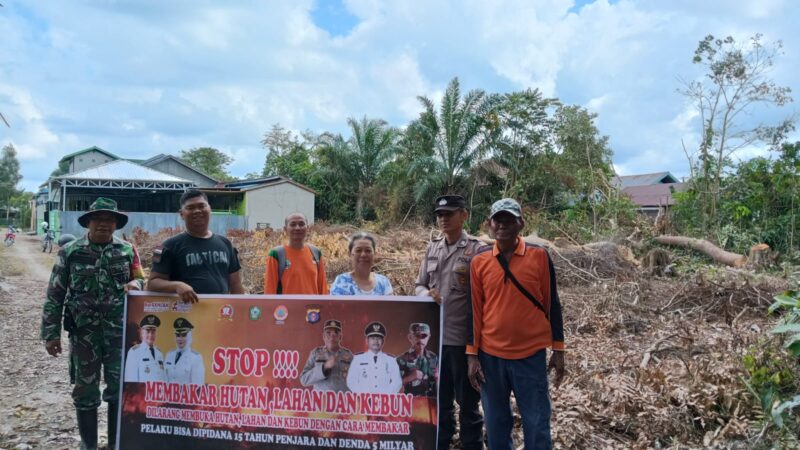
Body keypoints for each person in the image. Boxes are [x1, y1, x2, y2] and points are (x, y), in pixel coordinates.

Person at [41, 197, 144, 450]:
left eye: (110, 220)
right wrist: (51, 333)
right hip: (83, 334)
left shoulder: (127, 250)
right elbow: (55, 293)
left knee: (119, 388)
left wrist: (137, 284)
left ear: (116, 224)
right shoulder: (71, 251)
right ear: (88, 222)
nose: (104, 224)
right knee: (85, 391)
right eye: (98, 219)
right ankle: (88, 445)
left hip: (118, 334)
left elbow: (141, 279)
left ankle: (115, 443)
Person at [467, 198, 566, 450]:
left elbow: (552, 303)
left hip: (530, 356)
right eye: (497, 220)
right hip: (491, 357)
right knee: (497, 423)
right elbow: (475, 310)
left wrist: (558, 349)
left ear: (520, 223)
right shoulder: (479, 261)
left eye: (509, 219)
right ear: (489, 224)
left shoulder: (539, 256)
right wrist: (472, 355)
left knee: (537, 423)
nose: (503, 225)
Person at [415, 194, 484, 450]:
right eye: (440, 215)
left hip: (463, 340)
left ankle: (472, 445)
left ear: (464, 215)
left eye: (450, 213)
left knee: (468, 404)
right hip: (436, 341)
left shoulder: (477, 249)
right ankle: (441, 444)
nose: (443, 219)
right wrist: (425, 295)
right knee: (440, 403)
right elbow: (419, 284)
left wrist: (475, 347)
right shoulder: (432, 248)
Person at [147, 189, 245, 302]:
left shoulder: (226, 244)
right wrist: (177, 285)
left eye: (202, 206)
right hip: (185, 314)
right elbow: (152, 284)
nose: (197, 211)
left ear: (210, 209)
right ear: (181, 214)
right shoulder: (167, 246)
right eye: (190, 208)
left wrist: (240, 311)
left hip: (220, 313)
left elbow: (236, 284)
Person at [264, 212, 328, 295]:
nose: (297, 228)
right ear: (285, 229)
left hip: (312, 308)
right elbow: (270, 291)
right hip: (287, 307)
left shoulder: (316, 253)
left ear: (307, 228)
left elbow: (323, 289)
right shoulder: (276, 254)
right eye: (293, 224)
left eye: (301, 224)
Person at [346, 321, 402, 394]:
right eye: (372, 338)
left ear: (383, 341)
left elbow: (397, 382)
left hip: (385, 401)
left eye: (378, 338)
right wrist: (364, 394)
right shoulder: (358, 359)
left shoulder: (391, 360)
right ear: (367, 341)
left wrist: (385, 395)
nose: (376, 341)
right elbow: (351, 381)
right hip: (363, 400)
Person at [300, 319, 354, 391]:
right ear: (324, 336)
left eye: (335, 333)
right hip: (321, 400)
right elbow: (304, 380)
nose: (332, 337)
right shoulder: (316, 353)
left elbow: (357, 379)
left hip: (342, 400)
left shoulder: (348, 355)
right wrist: (324, 367)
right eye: (328, 333)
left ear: (340, 337)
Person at [397, 323, 439, 397]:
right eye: (417, 336)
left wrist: (437, 379)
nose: (420, 340)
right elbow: (392, 386)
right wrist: (409, 378)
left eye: (424, 336)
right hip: (410, 402)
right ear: (410, 337)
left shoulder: (434, 358)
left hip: (430, 402)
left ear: (429, 337)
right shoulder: (401, 360)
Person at [123, 315, 166, 382]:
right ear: (142, 332)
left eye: (153, 331)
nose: (150, 335)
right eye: (148, 331)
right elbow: (130, 381)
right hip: (142, 392)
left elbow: (163, 378)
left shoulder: (159, 352)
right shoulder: (134, 352)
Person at [164, 317, 205, 385]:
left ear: (189, 336)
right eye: (178, 335)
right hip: (169, 395)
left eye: (183, 335)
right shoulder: (169, 355)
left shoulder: (196, 358)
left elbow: (198, 387)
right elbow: (164, 381)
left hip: (185, 395)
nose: (180, 339)